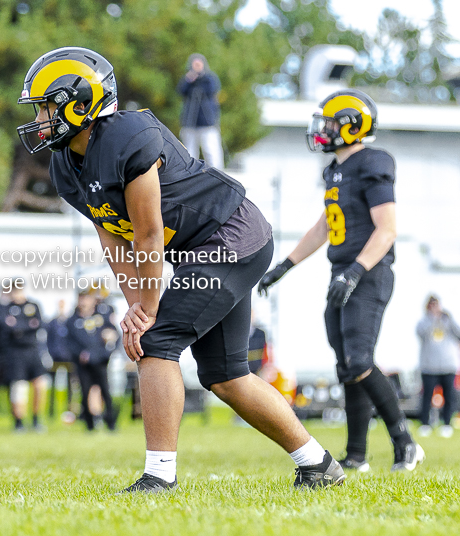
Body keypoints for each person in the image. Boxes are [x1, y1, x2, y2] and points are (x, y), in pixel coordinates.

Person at [17, 46, 344, 491]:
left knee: (157, 341)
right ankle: (318, 464)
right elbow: (113, 235)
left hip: (232, 236)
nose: (39, 120)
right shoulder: (65, 163)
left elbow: (148, 234)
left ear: (81, 102)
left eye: (46, 107)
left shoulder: (127, 136)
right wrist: (135, 305)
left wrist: (147, 312)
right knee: (225, 376)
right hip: (200, 249)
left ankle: (159, 477)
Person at [258, 89, 423, 473]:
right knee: (345, 366)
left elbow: (387, 229)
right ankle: (357, 455)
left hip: (368, 271)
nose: (323, 130)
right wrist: (285, 265)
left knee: (360, 359)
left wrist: (356, 271)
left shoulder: (373, 162)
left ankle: (406, 443)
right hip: (343, 271)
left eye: (331, 123)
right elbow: (325, 225)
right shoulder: (334, 169)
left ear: (352, 125)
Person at [0, 280, 47, 433]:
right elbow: (7, 326)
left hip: (33, 350)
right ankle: (19, 422)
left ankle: (37, 419)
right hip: (15, 353)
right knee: (19, 388)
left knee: (40, 385)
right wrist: (24, 326)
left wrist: (18, 327)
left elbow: (37, 325)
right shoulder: (6, 308)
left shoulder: (33, 306)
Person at [67, 289, 118, 431]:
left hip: (100, 361)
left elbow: (114, 335)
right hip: (83, 364)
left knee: (106, 392)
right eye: (81, 298)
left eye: (86, 298)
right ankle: (89, 424)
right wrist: (80, 354)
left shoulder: (102, 317)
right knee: (84, 392)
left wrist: (105, 352)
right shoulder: (72, 320)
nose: (83, 302)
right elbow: (69, 342)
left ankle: (111, 423)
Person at [416, 295, 460, 438]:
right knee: (427, 396)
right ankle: (425, 424)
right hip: (429, 366)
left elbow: (458, 333)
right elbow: (420, 333)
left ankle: (447, 423)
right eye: (432, 304)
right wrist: (433, 318)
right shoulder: (424, 321)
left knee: (449, 396)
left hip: (447, 365)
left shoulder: (447, 320)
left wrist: (449, 317)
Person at [177, 53, 224, 169]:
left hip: (207, 123)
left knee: (211, 152)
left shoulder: (209, 78)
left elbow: (212, 89)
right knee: (189, 153)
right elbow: (180, 91)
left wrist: (200, 78)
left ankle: (217, 176)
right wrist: (189, 79)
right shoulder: (188, 80)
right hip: (190, 123)